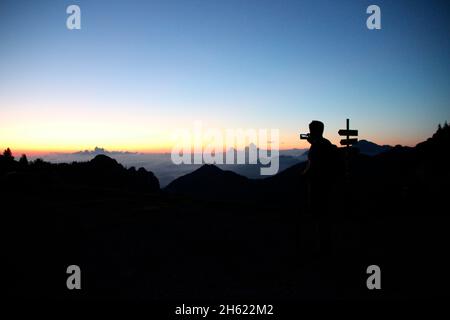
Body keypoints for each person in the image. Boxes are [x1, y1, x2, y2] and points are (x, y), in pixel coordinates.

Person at [302, 120, 340, 255]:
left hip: (318, 185)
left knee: (319, 216)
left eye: (311, 130)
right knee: (323, 216)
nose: (309, 132)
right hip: (325, 184)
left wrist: (304, 175)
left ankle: (322, 248)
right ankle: (325, 245)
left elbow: (314, 164)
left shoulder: (319, 145)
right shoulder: (326, 143)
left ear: (315, 131)